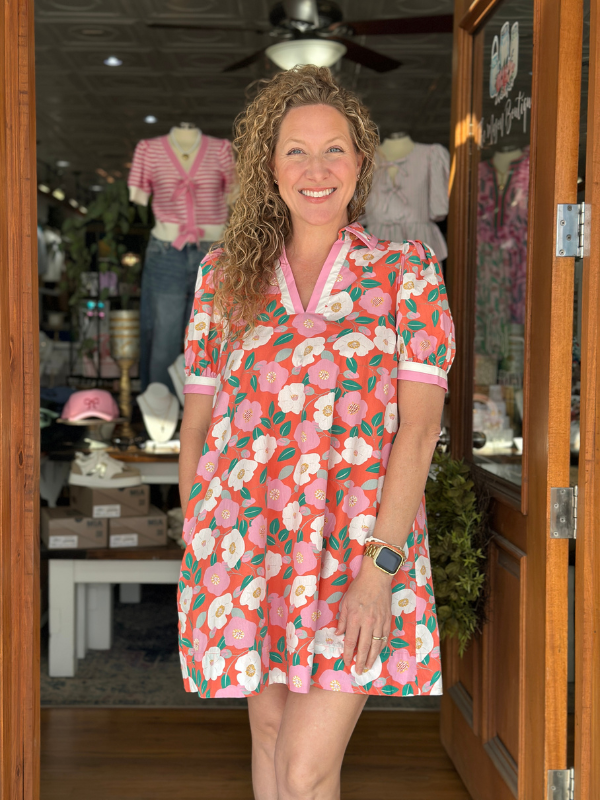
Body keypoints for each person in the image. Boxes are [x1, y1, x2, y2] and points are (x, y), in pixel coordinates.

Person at [178, 65, 455, 800]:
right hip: (246, 547)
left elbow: (420, 431)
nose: (316, 168)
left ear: (361, 162)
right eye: (296, 151)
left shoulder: (406, 274)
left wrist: (381, 571)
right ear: (269, 166)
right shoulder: (222, 276)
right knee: (270, 741)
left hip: (356, 552)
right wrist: (202, 540)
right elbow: (198, 422)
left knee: (305, 769)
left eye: (334, 149)